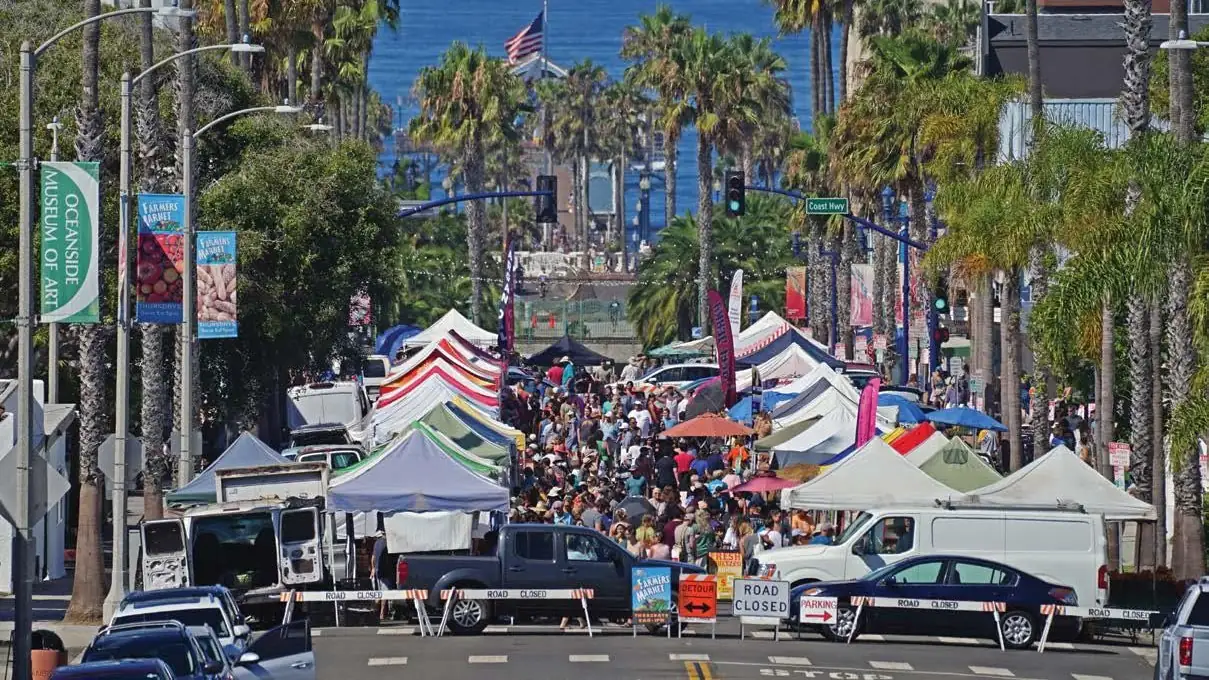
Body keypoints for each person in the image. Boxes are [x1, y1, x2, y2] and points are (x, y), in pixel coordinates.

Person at [371, 530, 393, 620]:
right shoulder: (387, 543)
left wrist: (373, 568)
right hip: (385, 571)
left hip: (376, 571)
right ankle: (381, 613)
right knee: (385, 593)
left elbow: (373, 558)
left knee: (378, 592)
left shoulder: (376, 543)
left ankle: (374, 612)